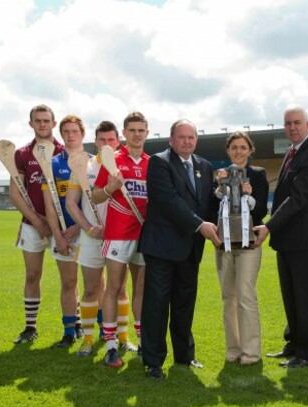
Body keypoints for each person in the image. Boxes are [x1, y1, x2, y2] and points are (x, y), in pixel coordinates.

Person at [139, 119, 221, 379]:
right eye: (182, 137)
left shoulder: (205, 166)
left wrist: (229, 209)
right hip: (162, 247)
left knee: (185, 304)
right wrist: (200, 226)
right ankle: (153, 362)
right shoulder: (159, 162)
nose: (187, 141)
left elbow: (207, 204)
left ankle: (184, 356)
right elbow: (168, 200)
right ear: (171, 140)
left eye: (191, 137)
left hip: (190, 249)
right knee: (157, 305)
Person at [254, 106, 308, 369]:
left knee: (306, 295)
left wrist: (269, 226)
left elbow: (298, 199)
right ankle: (295, 343)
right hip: (289, 239)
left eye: (297, 122)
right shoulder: (292, 151)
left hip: (306, 239)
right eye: (288, 123)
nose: (292, 127)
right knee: (291, 294)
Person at [66, 121, 137, 357]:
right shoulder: (83, 167)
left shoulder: (124, 165)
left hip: (119, 236)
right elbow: (71, 203)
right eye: (102, 140)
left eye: (111, 140)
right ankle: (87, 340)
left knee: (120, 289)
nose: (107, 144)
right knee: (91, 289)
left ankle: (124, 338)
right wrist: (87, 228)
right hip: (92, 237)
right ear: (95, 142)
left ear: (118, 141)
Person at [92, 112, 149, 368]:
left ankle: (142, 341)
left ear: (147, 133)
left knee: (141, 289)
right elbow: (95, 196)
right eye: (132, 130)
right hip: (117, 233)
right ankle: (111, 345)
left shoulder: (152, 163)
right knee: (114, 287)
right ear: (124, 134)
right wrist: (110, 188)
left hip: (144, 234)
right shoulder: (112, 160)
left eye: (141, 130)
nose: (137, 134)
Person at [213, 131, 269, 366]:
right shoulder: (220, 176)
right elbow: (211, 208)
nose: (238, 151)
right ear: (228, 150)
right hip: (224, 243)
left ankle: (251, 352)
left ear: (250, 150)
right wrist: (219, 188)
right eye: (234, 147)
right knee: (229, 298)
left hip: (248, 243)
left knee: (246, 296)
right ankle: (233, 349)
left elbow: (262, 211)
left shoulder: (258, 174)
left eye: (242, 147)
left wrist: (249, 196)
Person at [10, 104, 64, 344]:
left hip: (62, 226)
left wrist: (54, 224)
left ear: (54, 124)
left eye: (46, 120)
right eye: (37, 120)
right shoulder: (21, 154)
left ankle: (71, 330)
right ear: (30, 124)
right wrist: (36, 221)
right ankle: (30, 327)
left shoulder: (64, 152)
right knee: (33, 275)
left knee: (70, 280)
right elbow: (15, 193)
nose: (42, 124)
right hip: (32, 225)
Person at [41, 115, 85, 348]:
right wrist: (58, 234)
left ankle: (98, 332)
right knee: (68, 282)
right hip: (63, 234)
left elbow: (96, 203)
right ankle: (69, 331)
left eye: (74, 131)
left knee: (97, 285)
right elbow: (49, 203)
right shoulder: (52, 163)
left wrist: (81, 226)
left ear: (82, 134)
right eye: (66, 131)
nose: (70, 135)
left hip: (87, 232)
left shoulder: (92, 162)